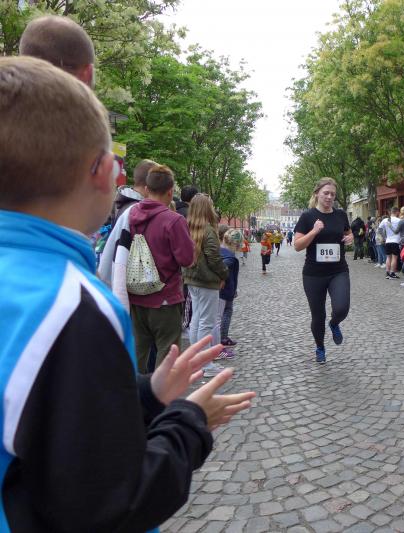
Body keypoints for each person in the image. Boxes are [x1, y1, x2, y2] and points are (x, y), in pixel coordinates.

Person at [0, 54, 254, 532]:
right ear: (102, 172)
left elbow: (46, 413)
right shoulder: (72, 307)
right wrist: (190, 421)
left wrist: (146, 394)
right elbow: (112, 503)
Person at [128, 165, 195, 372]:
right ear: (170, 191)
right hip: (165, 299)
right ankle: (160, 394)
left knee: (137, 354)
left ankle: (134, 391)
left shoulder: (130, 215)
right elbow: (187, 259)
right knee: (167, 356)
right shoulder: (173, 221)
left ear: (147, 189)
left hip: (136, 297)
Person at [293, 178, 354, 364]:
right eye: (326, 193)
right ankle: (320, 347)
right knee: (318, 316)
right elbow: (297, 245)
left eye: (332, 194)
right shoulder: (308, 216)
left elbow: (348, 233)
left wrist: (350, 238)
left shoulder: (341, 215)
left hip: (338, 270)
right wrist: (314, 231)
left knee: (342, 308)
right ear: (317, 193)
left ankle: (334, 323)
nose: (329, 197)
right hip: (314, 274)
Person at [97, 159, 157, 307]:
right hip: (128, 284)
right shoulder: (136, 211)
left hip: (116, 277)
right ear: (148, 186)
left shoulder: (122, 203)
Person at [183, 194, 229, 378]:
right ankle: (206, 365)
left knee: (197, 319)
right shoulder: (208, 230)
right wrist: (224, 274)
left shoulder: (188, 228)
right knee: (206, 322)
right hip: (206, 281)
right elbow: (214, 259)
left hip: (192, 280)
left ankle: (198, 360)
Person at [218, 228, 241, 358]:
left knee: (226, 313)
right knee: (221, 316)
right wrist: (221, 279)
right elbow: (223, 268)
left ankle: (223, 338)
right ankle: (221, 341)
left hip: (228, 290)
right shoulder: (230, 257)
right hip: (224, 291)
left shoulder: (220, 251)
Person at [381, 206, 402, 279]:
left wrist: (384, 237)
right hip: (396, 241)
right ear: (397, 212)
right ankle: (392, 273)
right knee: (394, 258)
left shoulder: (385, 220)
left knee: (388, 257)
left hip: (388, 241)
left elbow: (379, 229)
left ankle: (387, 272)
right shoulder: (399, 220)